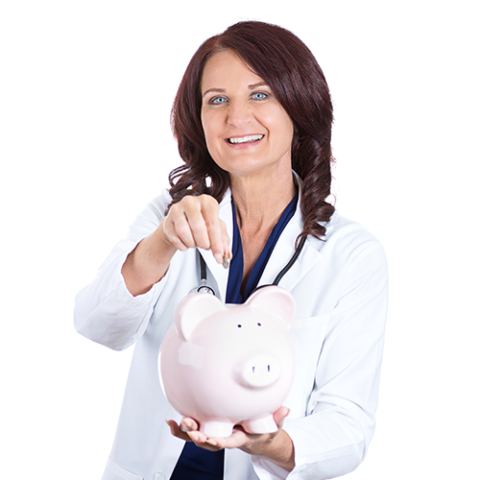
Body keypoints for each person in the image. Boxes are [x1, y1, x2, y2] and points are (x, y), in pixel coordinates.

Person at [74, 20, 388, 480]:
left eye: (260, 95)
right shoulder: (169, 216)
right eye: (216, 99)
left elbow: (349, 423)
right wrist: (162, 242)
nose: (236, 118)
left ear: (299, 107)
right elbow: (98, 325)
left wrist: (273, 442)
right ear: (198, 120)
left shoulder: (352, 255)